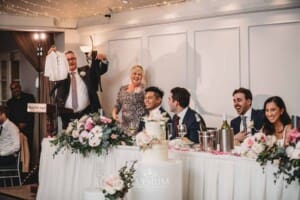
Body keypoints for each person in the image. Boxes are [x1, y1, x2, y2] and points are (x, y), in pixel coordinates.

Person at [50, 49, 109, 129]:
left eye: (73, 58)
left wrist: (104, 60)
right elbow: (52, 72)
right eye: (68, 59)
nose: (71, 61)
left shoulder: (86, 70)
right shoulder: (61, 76)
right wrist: (51, 58)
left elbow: (100, 71)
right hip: (67, 116)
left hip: (87, 113)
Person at [112, 65, 146, 135]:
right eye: (134, 73)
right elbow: (118, 104)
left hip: (138, 125)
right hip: (124, 124)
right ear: (130, 75)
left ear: (142, 77)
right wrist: (114, 113)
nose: (137, 76)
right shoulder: (123, 89)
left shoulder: (144, 90)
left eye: (139, 74)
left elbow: (147, 107)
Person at [7, 81, 35, 154]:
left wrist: (25, 123)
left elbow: (32, 113)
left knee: (29, 148)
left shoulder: (29, 97)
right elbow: (10, 117)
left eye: (16, 87)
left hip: (28, 128)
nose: (15, 90)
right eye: (12, 89)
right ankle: (19, 165)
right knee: (17, 149)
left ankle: (29, 165)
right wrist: (18, 125)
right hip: (16, 129)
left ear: (20, 87)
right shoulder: (10, 102)